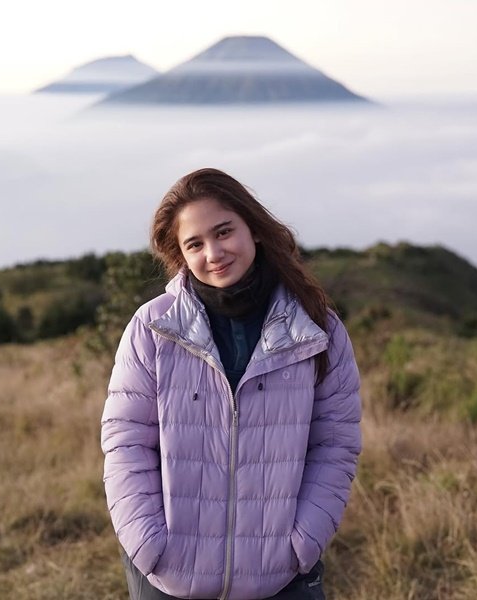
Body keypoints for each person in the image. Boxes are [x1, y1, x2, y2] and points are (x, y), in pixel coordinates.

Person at [101, 168, 362, 600]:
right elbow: (125, 441)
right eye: (195, 244)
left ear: (254, 230)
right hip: (169, 577)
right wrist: (148, 545)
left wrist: (303, 542)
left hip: (281, 577)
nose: (214, 252)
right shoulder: (153, 328)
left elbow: (336, 442)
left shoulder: (316, 329)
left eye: (224, 232)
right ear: (181, 255)